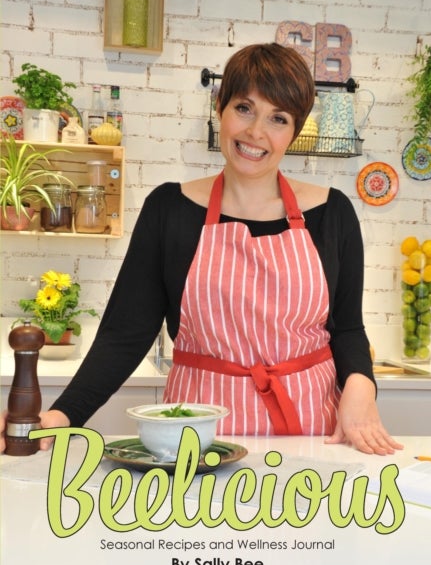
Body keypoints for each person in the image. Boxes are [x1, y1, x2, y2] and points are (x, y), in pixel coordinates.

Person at [0, 43, 402, 455]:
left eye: (278, 118)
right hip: (195, 434)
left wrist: (360, 386)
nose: (256, 132)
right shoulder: (169, 209)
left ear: (293, 133)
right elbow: (125, 334)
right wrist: (63, 415)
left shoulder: (332, 212)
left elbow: (347, 328)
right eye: (244, 108)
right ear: (220, 108)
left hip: (311, 432)